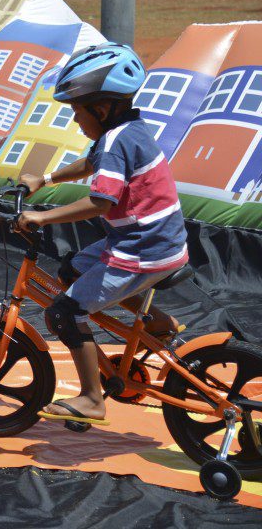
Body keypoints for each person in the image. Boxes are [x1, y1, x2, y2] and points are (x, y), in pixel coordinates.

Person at [15, 43, 187, 427]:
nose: (75, 119)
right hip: (154, 238)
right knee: (70, 272)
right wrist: (45, 179)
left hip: (142, 250)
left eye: (77, 110)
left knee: (63, 312)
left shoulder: (116, 142)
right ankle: (157, 323)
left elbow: (100, 202)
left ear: (102, 109)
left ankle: (93, 399)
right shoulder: (129, 130)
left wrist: (42, 217)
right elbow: (91, 160)